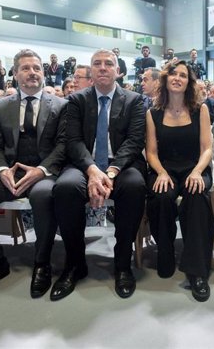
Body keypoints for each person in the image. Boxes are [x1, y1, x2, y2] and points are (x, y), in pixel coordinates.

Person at [0, 49, 68, 299]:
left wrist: (42, 170)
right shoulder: (0, 106)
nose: (33, 72)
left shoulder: (62, 106)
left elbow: (64, 145)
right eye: (26, 68)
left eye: (37, 68)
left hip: (44, 173)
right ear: (16, 74)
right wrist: (0, 170)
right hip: (9, 172)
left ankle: (42, 263)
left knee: (43, 197)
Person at [52, 49, 146, 300]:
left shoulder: (134, 100)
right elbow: (72, 141)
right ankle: (74, 263)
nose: (103, 67)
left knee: (135, 186)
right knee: (65, 188)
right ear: (90, 71)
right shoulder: (77, 100)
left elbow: (135, 141)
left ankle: (123, 264)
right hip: (85, 164)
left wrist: (112, 171)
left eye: (108, 64)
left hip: (122, 165)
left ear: (118, 70)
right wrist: (92, 170)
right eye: (97, 64)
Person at [145, 60, 214, 301]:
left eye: (183, 75)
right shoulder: (152, 112)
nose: (177, 78)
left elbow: (207, 148)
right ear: (165, 79)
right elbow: (151, 152)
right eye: (173, 74)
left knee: (196, 197)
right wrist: (161, 172)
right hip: (165, 168)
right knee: (161, 197)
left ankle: (197, 271)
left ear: (189, 82)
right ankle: (165, 251)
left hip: (195, 167)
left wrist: (197, 171)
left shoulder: (200, 109)